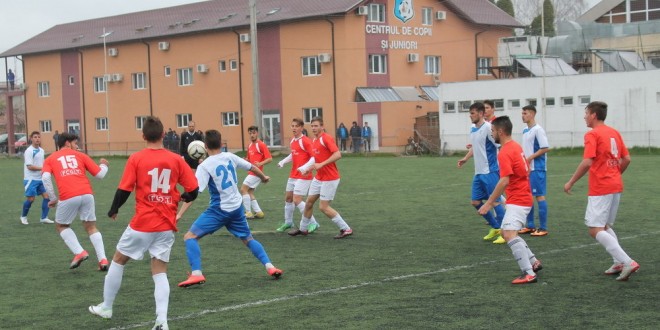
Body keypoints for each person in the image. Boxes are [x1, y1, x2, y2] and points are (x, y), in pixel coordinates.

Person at [88, 116, 198, 330]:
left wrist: (114, 209)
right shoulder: (177, 160)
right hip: (167, 225)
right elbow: (193, 191)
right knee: (160, 271)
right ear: (164, 135)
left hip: (143, 223)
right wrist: (182, 197)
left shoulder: (136, 158)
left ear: (143, 136)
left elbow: (124, 189)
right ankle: (161, 322)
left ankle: (107, 307)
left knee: (118, 260)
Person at [176, 129, 283, 288]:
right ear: (221, 144)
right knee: (248, 239)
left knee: (190, 237)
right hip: (237, 208)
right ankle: (270, 267)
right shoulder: (230, 156)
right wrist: (264, 177)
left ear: (205, 146)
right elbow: (252, 167)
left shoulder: (204, 166)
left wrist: (179, 215)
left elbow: (193, 193)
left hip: (219, 210)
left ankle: (196, 274)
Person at [564, 101, 639, 281]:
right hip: (615, 185)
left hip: (601, 187)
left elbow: (588, 161)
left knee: (594, 229)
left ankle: (627, 261)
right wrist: (614, 173)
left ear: (593, 115)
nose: (584, 116)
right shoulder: (614, 132)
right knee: (605, 226)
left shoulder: (593, 134)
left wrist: (571, 182)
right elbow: (626, 159)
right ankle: (618, 262)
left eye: (586, 113)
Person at [479, 116, 542, 284]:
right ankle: (534, 262)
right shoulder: (516, 146)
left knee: (507, 234)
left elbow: (504, 180)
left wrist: (489, 202)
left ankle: (528, 273)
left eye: (492, 131)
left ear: (500, 131)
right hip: (522, 197)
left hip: (519, 199)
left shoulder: (505, 151)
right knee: (511, 232)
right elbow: (525, 170)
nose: (491, 134)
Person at [41, 132, 109, 270]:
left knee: (62, 226)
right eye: (75, 143)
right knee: (91, 227)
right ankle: (103, 260)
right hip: (87, 194)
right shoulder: (81, 155)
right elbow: (100, 174)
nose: (77, 145)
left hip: (68, 195)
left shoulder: (50, 158)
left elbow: (45, 178)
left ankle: (79, 252)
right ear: (67, 143)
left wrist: (53, 198)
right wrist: (104, 165)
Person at [289, 116, 353, 239]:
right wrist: (308, 168)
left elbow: (338, 154)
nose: (313, 128)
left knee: (323, 207)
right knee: (308, 203)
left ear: (322, 126)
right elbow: (316, 159)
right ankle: (303, 229)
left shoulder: (326, 138)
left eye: (316, 126)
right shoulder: (314, 141)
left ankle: (346, 228)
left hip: (330, 178)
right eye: (312, 126)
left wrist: (321, 164)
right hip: (319, 177)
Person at [457, 102, 506, 244]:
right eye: (469, 113)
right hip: (478, 172)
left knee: (495, 202)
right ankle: (495, 227)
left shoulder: (489, 128)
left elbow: (500, 145)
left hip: (490, 171)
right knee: (475, 201)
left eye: (472, 113)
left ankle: (504, 232)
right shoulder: (473, 128)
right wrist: (465, 158)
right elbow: (475, 147)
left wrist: (504, 164)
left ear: (480, 113)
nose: (470, 116)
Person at [276, 118, 320, 233]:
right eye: (292, 126)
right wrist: (283, 162)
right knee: (288, 198)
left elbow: (314, 157)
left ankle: (313, 223)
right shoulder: (292, 141)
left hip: (304, 175)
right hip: (293, 174)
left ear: (301, 127)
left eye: (296, 126)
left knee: (297, 200)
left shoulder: (305, 141)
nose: (294, 128)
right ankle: (288, 222)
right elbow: (293, 155)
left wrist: (305, 168)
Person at [518, 105, 550, 236]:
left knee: (539, 196)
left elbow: (545, 148)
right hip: (528, 169)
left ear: (532, 114)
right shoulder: (525, 130)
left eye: (525, 113)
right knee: (528, 195)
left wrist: (530, 158)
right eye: (522, 113)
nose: (522, 115)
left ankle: (543, 228)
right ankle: (530, 225)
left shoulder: (538, 130)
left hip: (537, 168)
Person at [20, 131, 54, 225]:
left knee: (47, 196)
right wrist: (43, 168)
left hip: (40, 178)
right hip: (31, 179)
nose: (37, 139)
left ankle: (44, 218)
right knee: (31, 199)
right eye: (35, 137)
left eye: (39, 137)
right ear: (31, 138)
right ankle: (23, 217)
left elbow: (42, 163)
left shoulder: (41, 150)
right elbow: (29, 166)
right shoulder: (29, 151)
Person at [241, 126, 272, 219]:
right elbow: (250, 159)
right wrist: (245, 160)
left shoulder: (261, 144)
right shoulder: (250, 145)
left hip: (256, 173)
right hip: (252, 172)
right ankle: (259, 212)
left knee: (243, 190)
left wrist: (260, 163)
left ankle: (248, 212)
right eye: (250, 133)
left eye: (253, 133)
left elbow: (270, 158)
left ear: (257, 133)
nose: (252, 135)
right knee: (249, 192)